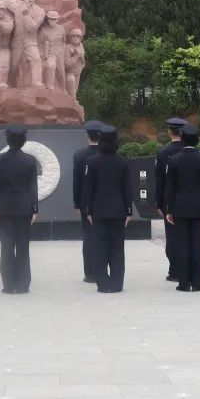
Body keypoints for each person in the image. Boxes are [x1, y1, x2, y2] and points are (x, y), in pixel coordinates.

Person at [82, 125, 133, 293]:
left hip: (98, 211)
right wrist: (129, 211)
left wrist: (88, 211)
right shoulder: (123, 162)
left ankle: (103, 283)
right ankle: (117, 283)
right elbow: (127, 189)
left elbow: (88, 189)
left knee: (100, 247)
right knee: (117, 248)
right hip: (119, 211)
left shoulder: (92, 162)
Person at [164, 124, 200, 292]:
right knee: (197, 246)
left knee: (182, 245)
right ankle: (197, 283)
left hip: (180, 208)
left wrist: (169, 210)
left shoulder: (174, 160)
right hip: (199, 208)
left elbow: (170, 188)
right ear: (197, 140)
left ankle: (184, 283)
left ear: (182, 140)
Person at [0, 125, 39, 293]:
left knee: (6, 247)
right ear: (24, 141)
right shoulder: (30, 161)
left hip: (4, 208)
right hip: (24, 208)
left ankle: (9, 284)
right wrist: (35, 208)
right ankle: (23, 284)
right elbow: (33, 187)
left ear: (7, 140)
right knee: (23, 247)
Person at [155, 117, 188, 282]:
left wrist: (159, 203)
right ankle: (187, 269)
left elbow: (159, 180)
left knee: (172, 236)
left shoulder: (163, 153)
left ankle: (174, 270)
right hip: (188, 201)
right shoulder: (191, 151)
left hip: (170, 202)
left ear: (169, 131)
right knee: (187, 236)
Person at [73, 120, 104, 282]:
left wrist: (77, 203)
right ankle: (102, 271)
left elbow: (77, 182)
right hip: (104, 202)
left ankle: (90, 273)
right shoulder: (107, 154)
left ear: (87, 135)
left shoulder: (79, 155)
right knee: (104, 237)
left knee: (89, 237)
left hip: (86, 203)